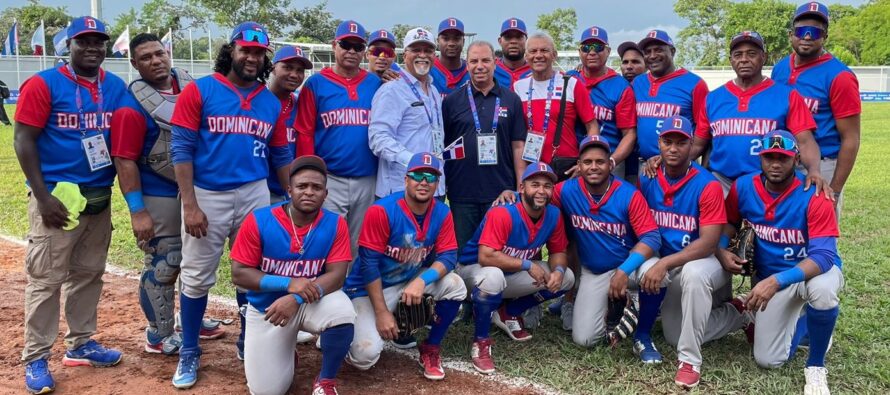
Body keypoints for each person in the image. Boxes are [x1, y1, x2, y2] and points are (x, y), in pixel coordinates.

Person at [168, 21, 291, 389]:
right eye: (246, 50)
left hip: (253, 190)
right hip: (207, 192)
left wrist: (286, 197)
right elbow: (181, 149)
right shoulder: (201, 90)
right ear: (231, 51)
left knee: (250, 267)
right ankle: (190, 349)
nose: (252, 57)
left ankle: (245, 338)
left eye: (258, 53)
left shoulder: (270, 101)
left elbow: (281, 152)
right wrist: (189, 204)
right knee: (196, 273)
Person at [14, 16, 128, 394]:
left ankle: (81, 343)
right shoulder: (43, 84)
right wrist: (42, 195)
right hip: (58, 198)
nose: (93, 47)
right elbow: (23, 140)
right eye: (84, 41)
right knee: (46, 280)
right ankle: (35, 357)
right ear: (69, 45)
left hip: (98, 194)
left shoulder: (114, 86)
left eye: (99, 41)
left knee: (89, 273)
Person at [111, 32, 227, 357]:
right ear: (134, 64)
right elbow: (125, 160)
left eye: (159, 53)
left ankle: (191, 318)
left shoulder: (192, 88)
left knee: (196, 260)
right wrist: (137, 210)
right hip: (158, 190)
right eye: (146, 57)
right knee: (166, 260)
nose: (156, 61)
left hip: (194, 187)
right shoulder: (130, 107)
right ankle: (158, 334)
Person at [719, 130, 842, 395]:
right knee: (768, 359)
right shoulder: (743, 187)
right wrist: (721, 249)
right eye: (769, 157)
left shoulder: (815, 193)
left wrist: (775, 281)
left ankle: (816, 366)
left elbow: (823, 256)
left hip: (810, 273)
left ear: (796, 159)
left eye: (783, 158)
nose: (775, 163)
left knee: (822, 291)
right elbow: (729, 222)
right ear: (760, 158)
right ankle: (806, 325)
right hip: (773, 279)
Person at [637, 116, 748, 388]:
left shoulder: (707, 184)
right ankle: (738, 312)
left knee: (694, 274)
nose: (674, 149)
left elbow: (710, 242)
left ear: (691, 146)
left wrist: (664, 264)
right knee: (674, 334)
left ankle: (689, 360)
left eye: (681, 142)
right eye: (668, 142)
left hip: (702, 261)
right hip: (670, 262)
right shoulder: (648, 176)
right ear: (659, 144)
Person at [230, 156, 355, 395]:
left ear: (326, 194)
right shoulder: (259, 220)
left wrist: (295, 297)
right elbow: (239, 273)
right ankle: (286, 352)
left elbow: (337, 276)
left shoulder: (336, 223)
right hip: (268, 311)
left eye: (316, 187)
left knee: (342, 312)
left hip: (311, 301)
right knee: (267, 391)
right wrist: (288, 283)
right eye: (302, 186)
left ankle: (325, 380)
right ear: (289, 190)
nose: (309, 192)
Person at [344, 153, 466, 380]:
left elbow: (449, 255)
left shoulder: (442, 211)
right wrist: (381, 313)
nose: (424, 182)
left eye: (430, 178)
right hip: (366, 290)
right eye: (418, 175)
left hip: (407, 281)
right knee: (364, 356)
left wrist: (422, 281)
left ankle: (430, 348)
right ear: (406, 180)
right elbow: (368, 264)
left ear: (437, 185)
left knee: (455, 285)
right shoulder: (382, 210)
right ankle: (343, 330)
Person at [551, 136, 665, 360]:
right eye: (587, 162)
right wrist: (512, 195)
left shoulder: (628, 193)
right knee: (584, 339)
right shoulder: (566, 191)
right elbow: (537, 199)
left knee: (657, 271)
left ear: (610, 164)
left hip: (630, 268)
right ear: (579, 165)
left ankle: (642, 333)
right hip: (597, 271)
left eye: (600, 162)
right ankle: (618, 307)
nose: (594, 167)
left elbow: (652, 237)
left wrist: (624, 271)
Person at [457, 162, 574, 373]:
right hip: (469, 273)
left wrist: (558, 271)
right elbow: (485, 257)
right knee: (492, 276)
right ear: (522, 188)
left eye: (547, 186)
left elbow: (558, 253)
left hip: (508, 274)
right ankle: (481, 342)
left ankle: (508, 311)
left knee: (567, 278)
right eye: (535, 184)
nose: (541, 191)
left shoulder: (554, 215)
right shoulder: (504, 212)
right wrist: (527, 264)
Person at [686, 31, 827, 198]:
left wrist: (814, 170)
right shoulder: (713, 98)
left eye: (751, 54)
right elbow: (697, 145)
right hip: (722, 181)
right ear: (731, 60)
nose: (744, 59)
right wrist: (665, 160)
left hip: (768, 183)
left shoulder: (786, 95)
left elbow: (805, 141)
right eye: (738, 54)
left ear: (763, 57)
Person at [295, 20, 382, 255]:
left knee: (359, 242)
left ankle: (352, 290)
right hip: (331, 177)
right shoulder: (316, 83)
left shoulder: (374, 83)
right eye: (346, 44)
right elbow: (304, 131)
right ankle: (324, 288)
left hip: (367, 176)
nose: (352, 51)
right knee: (326, 238)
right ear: (335, 45)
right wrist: (310, 176)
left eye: (358, 46)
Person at [772, 1, 861, 217]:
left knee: (819, 238)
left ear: (825, 36)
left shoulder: (840, 76)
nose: (808, 36)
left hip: (823, 165)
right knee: (784, 232)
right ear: (791, 33)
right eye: (802, 30)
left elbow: (851, 139)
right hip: (783, 162)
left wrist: (836, 190)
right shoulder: (780, 68)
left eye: (815, 31)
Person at [442, 40, 527, 250]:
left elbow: (518, 146)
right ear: (467, 64)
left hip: (501, 192)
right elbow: (443, 146)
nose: (480, 66)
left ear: (495, 63)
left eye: (485, 60)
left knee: (498, 252)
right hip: (462, 192)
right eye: (474, 61)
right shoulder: (452, 101)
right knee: (464, 253)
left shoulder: (511, 99)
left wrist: (518, 187)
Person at [369, 28, 446, 198]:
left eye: (428, 50)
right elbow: (378, 138)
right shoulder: (391, 89)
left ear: (435, 56)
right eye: (416, 50)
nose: (422, 55)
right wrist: (413, 161)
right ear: (404, 55)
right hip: (400, 188)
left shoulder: (433, 91)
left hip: (433, 185)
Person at [515, 32, 599, 181]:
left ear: (554, 55)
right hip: (532, 165)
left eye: (544, 50)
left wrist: (585, 162)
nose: (538, 55)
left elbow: (592, 126)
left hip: (567, 168)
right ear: (526, 56)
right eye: (533, 51)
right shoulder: (518, 87)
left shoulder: (571, 83)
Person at [566, 26, 637, 178]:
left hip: (607, 159)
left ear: (608, 51)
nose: (592, 52)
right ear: (579, 52)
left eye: (598, 47)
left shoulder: (620, 86)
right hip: (570, 160)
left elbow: (629, 134)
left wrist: (612, 161)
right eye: (586, 48)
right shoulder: (569, 78)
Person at [633, 30, 708, 165]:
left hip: (679, 165)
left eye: (658, 50)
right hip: (644, 164)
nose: (652, 55)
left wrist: (680, 161)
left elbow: (702, 131)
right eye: (647, 52)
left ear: (672, 51)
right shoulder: (638, 83)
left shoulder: (695, 83)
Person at [268, 46, 313, 203]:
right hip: (261, 190)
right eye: (287, 67)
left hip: (293, 190)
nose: (294, 74)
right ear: (273, 68)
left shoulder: (302, 104)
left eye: (299, 70)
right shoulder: (258, 102)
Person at [430, 17, 469, 97]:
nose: (451, 43)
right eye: (446, 38)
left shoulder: (471, 70)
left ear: (463, 42)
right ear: (438, 41)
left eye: (456, 38)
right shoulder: (428, 70)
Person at [494, 17, 532, 90]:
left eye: (519, 37)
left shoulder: (535, 70)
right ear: (500, 41)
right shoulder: (491, 70)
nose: (513, 41)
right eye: (508, 37)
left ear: (527, 41)